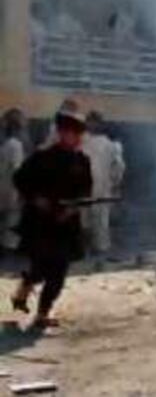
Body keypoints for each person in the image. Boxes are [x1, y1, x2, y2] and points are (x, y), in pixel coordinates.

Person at [11, 106, 92, 328]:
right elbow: (20, 179)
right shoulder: (42, 157)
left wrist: (72, 209)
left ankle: (42, 314)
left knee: (59, 271)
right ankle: (24, 289)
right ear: (61, 133)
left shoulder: (82, 161)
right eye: (70, 132)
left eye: (78, 133)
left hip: (66, 224)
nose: (74, 138)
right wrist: (37, 199)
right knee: (40, 268)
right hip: (41, 223)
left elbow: (86, 191)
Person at [81, 111, 124, 256]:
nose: (91, 125)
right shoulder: (81, 142)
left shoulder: (109, 145)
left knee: (96, 222)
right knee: (90, 221)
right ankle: (92, 250)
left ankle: (96, 252)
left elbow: (118, 167)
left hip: (97, 189)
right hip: (87, 188)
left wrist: (114, 183)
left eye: (93, 122)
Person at [0, 109, 26, 253]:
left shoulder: (5, 144)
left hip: (4, 187)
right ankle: (7, 250)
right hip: (12, 190)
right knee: (12, 220)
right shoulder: (16, 145)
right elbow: (17, 170)